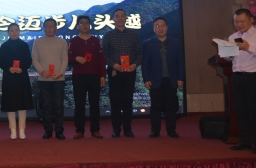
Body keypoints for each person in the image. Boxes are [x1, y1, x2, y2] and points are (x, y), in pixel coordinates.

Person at [102, 9, 142, 138]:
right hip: (115, 71)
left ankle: (128, 129)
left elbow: (140, 53)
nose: (120, 18)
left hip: (130, 71)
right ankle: (116, 129)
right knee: (115, 101)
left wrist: (134, 65)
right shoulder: (108, 35)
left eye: (122, 16)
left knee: (128, 101)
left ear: (126, 18)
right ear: (113, 19)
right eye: (117, 16)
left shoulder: (133, 34)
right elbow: (103, 54)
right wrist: (114, 64)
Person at [142, 17, 185, 138]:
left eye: (162, 26)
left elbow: (180, 62)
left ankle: (171, 130)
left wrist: (180, 77)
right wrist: (146, 79)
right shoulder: (148, 44)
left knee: (170, 106)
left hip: (171, 79)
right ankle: (155, 130)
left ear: (167, 27)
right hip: (155, 80)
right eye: (157, 26)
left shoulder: (176, 43)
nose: (160, 28)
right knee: (155, 106)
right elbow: (144, 64)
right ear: (153, 29)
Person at [68, 15, 106, 139]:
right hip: (79, 76)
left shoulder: (96, 40)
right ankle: (79, 130)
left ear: (90, 25)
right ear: (77, 26)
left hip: (95, 76)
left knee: (94, 104)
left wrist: (103, 75)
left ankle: (95, 130)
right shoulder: (73, 41)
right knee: (79, 104)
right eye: (82, 23)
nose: (84, 25)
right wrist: (76, 58)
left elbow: (101, 59)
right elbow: (67, 58)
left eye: (86, 23)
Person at [32, 18, 69, 140]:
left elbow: (65, 59)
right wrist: (42, 71)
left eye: (52, 26)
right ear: (44, 28)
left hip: (58, 79)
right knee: (46, 106)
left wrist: (60, 73)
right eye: (47, 26)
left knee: (58, 106)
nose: (49, 28)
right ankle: (48, 130)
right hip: (44, 79)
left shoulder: (62, 42)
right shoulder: (38, 42)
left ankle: (59, 131)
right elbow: (35, 59)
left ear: (56, 28)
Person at [226, 9, 256, 152]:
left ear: (251, 20)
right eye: (236, 22)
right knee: (240, 110)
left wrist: (248, 47)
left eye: (242, 21)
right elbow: (229, 58)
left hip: (252, 77)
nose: (239, 24)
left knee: (254, 110)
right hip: (237, 77)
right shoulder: (232, 37)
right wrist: (226, 52)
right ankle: (245, 140)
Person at [0, 23, 33, 140]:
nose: (14, 32)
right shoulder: (4, 46)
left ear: (19, 32)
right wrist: (8, 68)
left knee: (23, 103)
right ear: (8, 32)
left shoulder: (24, 45)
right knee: (10, 103)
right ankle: (12, 129)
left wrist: (22, 68)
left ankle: (22, 129)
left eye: (16, 30)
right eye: (11, 30)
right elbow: (0, 61)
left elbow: (28, 60)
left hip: (22, 76)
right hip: (9, 76)